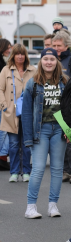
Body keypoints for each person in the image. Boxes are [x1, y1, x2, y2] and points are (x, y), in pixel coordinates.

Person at [21, 48, 68, 219]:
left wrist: (70, 131)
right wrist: (27, 138)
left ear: (57, 62)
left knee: (57, 169)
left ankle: (52, 205)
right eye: (46, 59)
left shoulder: (64, 81)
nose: (49, 62)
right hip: (40, 131)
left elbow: (70, 109)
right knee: (39, 168)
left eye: (52, 59)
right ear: (41, 61)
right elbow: (26, 113)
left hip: (59, 130)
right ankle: (31, 207)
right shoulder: (32, 83)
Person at [0, 44, 37, 182]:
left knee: (27, 144)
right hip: (11, 112)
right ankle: (14, 172)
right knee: (14, 144)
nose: (20, 56)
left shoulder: (33, 70)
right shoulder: (6, 70)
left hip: (28, 111)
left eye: (22, 54)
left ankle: (26, 171)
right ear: (13, 56)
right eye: (17, 54)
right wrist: (4, 106)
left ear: (25, 56)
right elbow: (0, 89)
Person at [52, 31, 71, 184]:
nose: (56, 48)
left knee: (70, 139)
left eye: (59, 45)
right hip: (55, 106)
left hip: (69, 107)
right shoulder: (51, 60)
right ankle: (65, 170)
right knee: (59, 139)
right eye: (54, 45)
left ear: (66, 46)